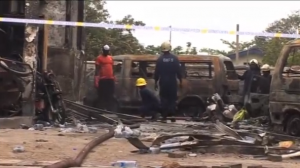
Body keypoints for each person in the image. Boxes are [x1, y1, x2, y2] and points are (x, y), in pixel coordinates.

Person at [154, 41, 182, 123]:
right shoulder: (175, 58)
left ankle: (164, 117)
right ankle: (173, 116)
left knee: (164, 99)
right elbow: (178, 71)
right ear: (170, 48)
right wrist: (180, 81)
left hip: (163, 82)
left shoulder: (160, 59)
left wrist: (156, 82)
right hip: (172, 82)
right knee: (172, 99)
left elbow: (157, 72)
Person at [94, 45, 115, 110]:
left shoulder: (110, 58)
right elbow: (97, 69)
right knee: (102, 94)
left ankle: (109, 108)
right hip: (103, 79)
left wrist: (114, 76)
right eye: (105, 51)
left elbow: (112, 67)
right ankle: (101, 108)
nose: (106, 52)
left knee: (110, 94)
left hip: (110, 79)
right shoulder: (99, 58)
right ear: (103, 50)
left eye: (107, 51)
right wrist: (96, 79)